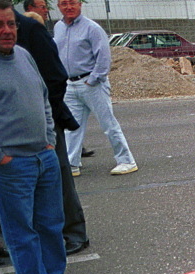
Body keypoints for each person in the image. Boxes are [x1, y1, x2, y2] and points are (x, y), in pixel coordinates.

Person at [0, 0, 85, 274]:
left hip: (42, 156)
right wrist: (0, 157)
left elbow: (44, 98)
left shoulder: (24, 56)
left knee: (49, 223)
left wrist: (48, 138)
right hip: (11, 165)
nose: (7, 31)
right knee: (22, 232)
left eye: (10, 24)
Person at [14, 6, 88, 254]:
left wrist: (44, 114)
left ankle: (74, 232)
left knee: (58, 174)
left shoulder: (31, 30)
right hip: (6, 125)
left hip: (43, 120)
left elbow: (56, 77)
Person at [54, 0, 137, 176]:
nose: (68, 7)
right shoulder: (58, 28)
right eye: (64, 3)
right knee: (72, 127)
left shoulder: (92, 28)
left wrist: (92, 80)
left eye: (72, 3)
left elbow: (103, 57)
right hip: (69, 85)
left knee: (108, 124)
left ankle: (126, 160)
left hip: (91, 84)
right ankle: (71, 163)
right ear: (58, 6)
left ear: (80, 4)